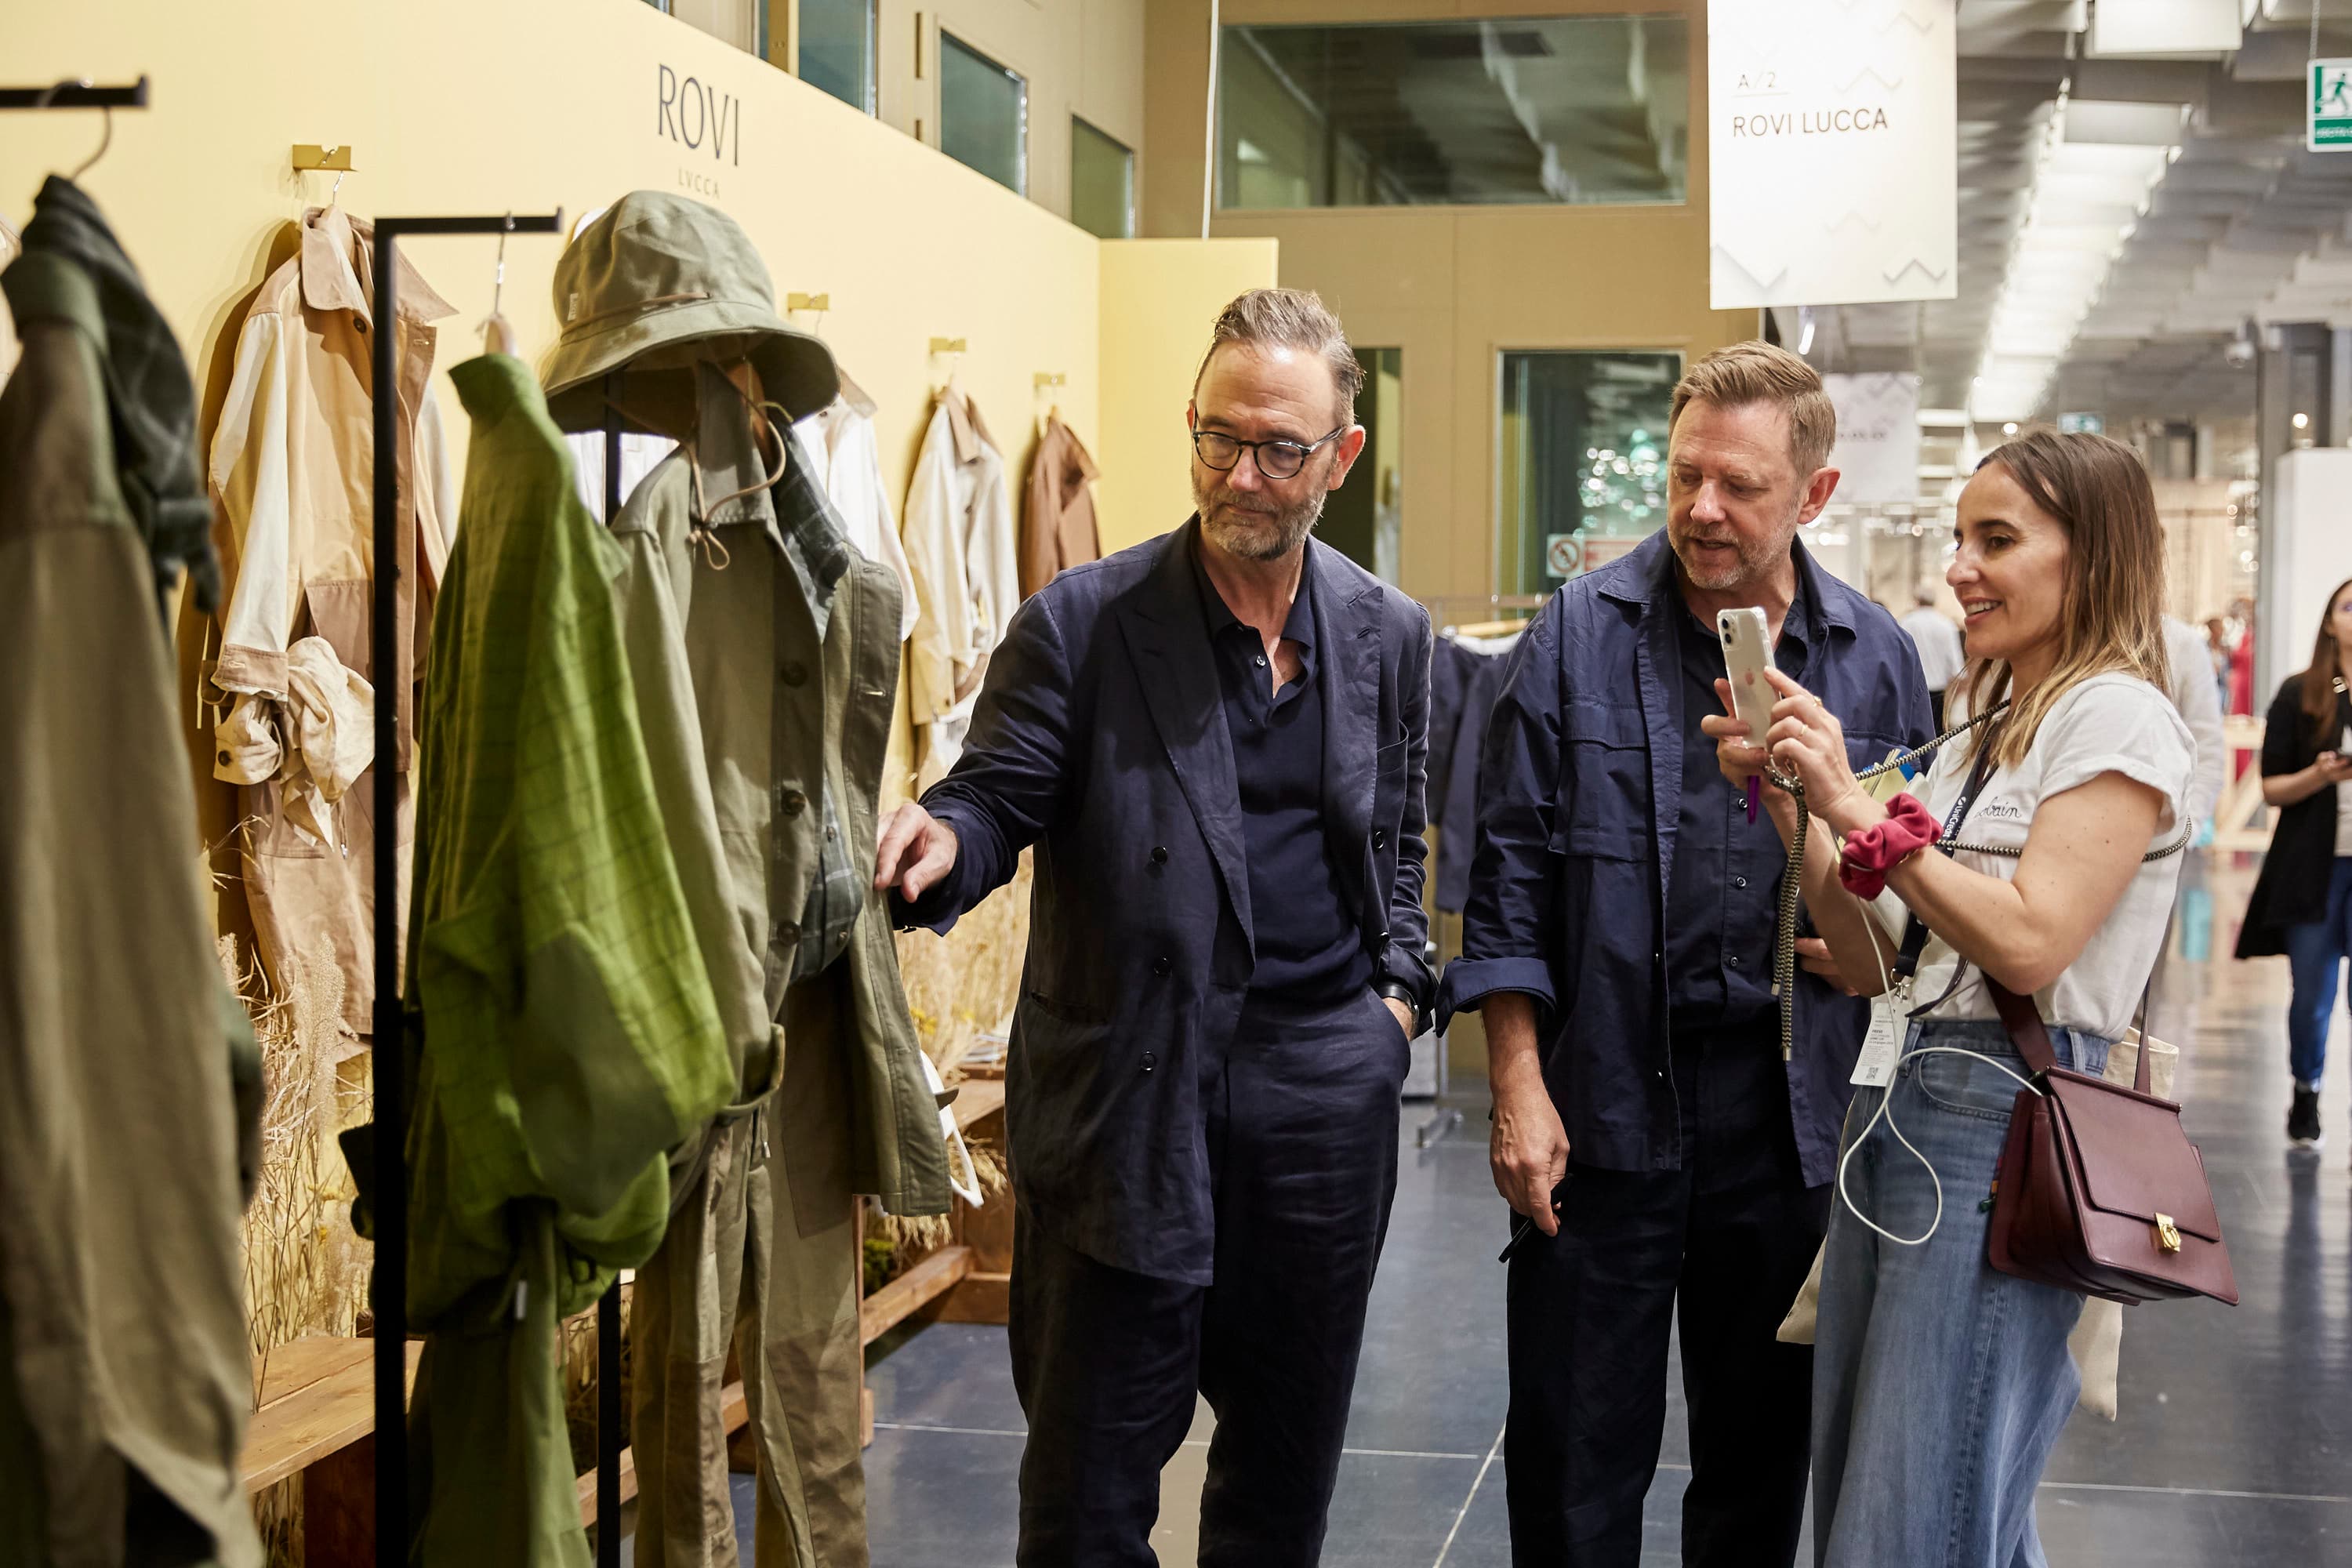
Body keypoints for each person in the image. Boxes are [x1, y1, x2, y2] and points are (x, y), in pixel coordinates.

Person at [874, 288, 1435, 1565]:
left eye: (1279, 449)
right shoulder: (1086, 623)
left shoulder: (1385, 633)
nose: (1240, 475)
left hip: (1319, 1119)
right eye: (1217, 437)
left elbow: (1398, 841)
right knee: (1087, 1506)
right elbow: (994, 796)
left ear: (1341, 456)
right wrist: (942, 842)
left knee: (1279, 1502)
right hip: (1127, 1104)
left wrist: (1396, 1008)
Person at [1443, 341, 1931, 1567]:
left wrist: (1870, 935)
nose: (1703, 508)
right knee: (1570, 1461)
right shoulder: (1577, 633)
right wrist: (1517, 1087)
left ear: (1814, 494)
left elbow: (1915, 894)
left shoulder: (1875, 659)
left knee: (1757, 1470)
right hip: (1603, 1094)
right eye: (1684, 475)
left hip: (1788, 1110)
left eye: (1741, 486)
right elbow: (1509, 880)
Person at [1709, 429, 2190, 1566]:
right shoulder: (1986, 726)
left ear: (2093, 555)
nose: (1961, 568)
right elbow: (1881, 964)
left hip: (2004, 1128)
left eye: (1998, 540)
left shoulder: (2116, 717)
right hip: (1900, 1105)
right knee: (1899, 1495)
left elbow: (2028, 944)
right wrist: (1799, 805)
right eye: (1961, 538)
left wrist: (1855, 805)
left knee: (1915, 1510)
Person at [2234, 575, 2352, 1149]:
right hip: (2315, 868)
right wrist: (2320, 775)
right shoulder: (2301, 692)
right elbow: (2272, 788)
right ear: (2330, 621)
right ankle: (2307, 1089)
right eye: (2349, 606)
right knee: (2311, 997)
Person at [1900, 584, 1965, 728]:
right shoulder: (1947, 624)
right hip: (1938, 693)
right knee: (1936, 735)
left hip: (1912, 692)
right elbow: (1956, 666)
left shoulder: (1906, 623)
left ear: (1917, 600)